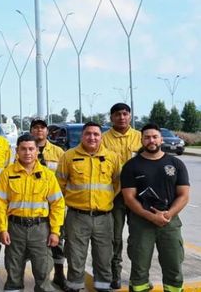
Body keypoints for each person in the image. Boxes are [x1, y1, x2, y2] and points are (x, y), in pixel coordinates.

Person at [121, 123, 189, 292]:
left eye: (154, 137)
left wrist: (168, 215)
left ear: (161, 139)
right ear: (142, 140)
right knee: (139, 268)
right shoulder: (131, 166)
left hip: (170, 222)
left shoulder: (176, 163)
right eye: (147, 137)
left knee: (174, 266)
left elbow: (184, 195)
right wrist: (151, 216)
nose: (151, 140)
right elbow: (129, 198)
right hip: (141, 222)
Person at [0, 134, 64, 292]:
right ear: (17, 151)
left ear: (37, 151)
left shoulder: (47, 175)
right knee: (13, 270)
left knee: (43, 270)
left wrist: (55, 231)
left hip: (40, 230)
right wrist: (2, 229)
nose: (27, 152)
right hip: (14, 229)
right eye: (23, 149)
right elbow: (0, 204)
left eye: (31, 149)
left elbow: (58, 204)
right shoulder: (7, 174)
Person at [56, 122, 120, 292]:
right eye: (88, 134)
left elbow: (116, 184)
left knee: (104, 256)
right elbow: (59, 185)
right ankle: (74, 286)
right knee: (75, 256)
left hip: (104, 217)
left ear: (101, 136)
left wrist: (104, 201)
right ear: (82, 136)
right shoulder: (68, 156)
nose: (92, 137)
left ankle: (103, 287)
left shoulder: (112, 157)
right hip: (77, 217)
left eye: (96, 134)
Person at [100, 102, 141, 290]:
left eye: (125, 114)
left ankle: (138, 276)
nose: (122, 117)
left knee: (138, 238)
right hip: (114, 196)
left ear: (130, 116)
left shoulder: (140, 137)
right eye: (117, 114)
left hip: (139, 197)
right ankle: (115, 274)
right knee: (114, 238)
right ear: (111, 118)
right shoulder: (103, 139)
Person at [30, 118, 67, 289]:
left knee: (57, 240)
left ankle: (59, 274)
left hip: (54, 203)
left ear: (47, 132)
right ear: (31, 131)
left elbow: (65, 178)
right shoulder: (26, 150)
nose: (39, 131)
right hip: (33, 205)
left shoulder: (58, 152)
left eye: (42, 128)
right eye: (35, 128)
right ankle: (41, 278)